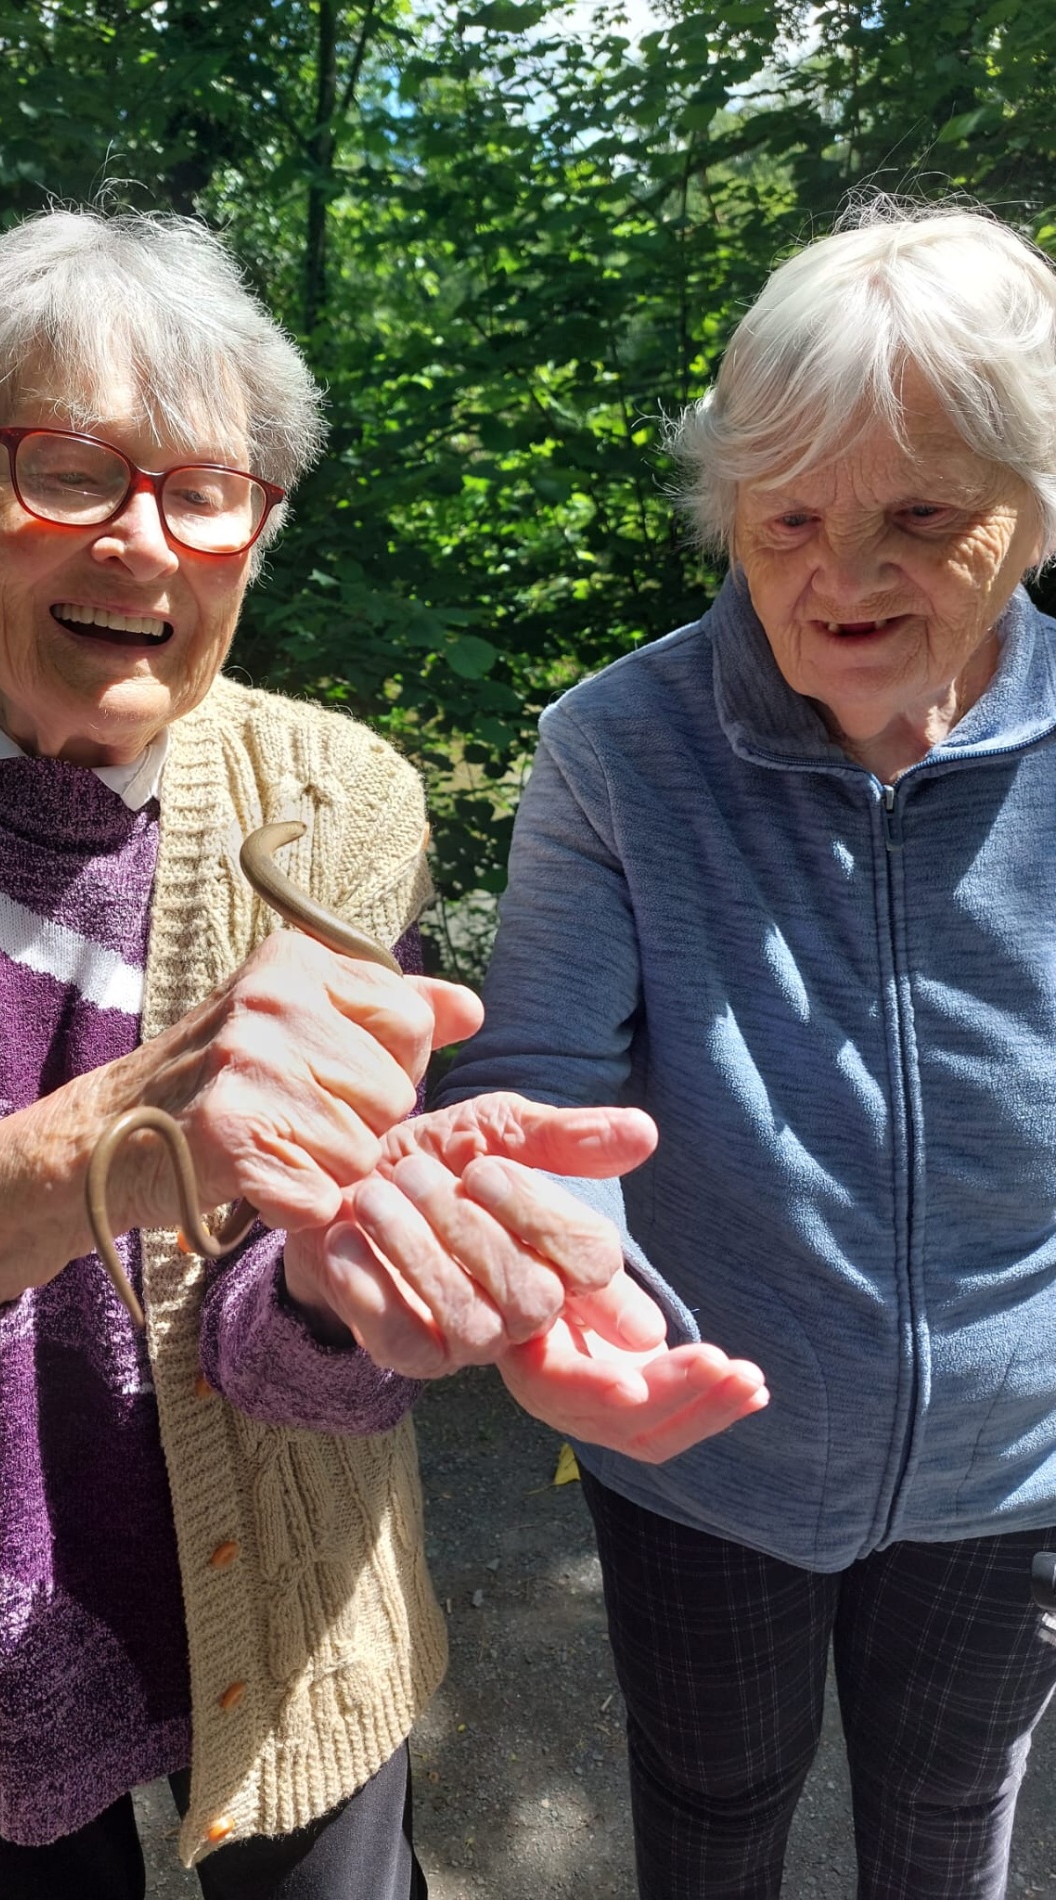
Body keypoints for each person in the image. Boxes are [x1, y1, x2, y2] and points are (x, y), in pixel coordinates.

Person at [0, 206, 760, 1900]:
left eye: (206, 488)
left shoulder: (337, 802)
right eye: (68, 469)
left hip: (290, 1599)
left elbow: (301, 1362)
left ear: (258, 529)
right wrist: (93, 1146)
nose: (142, 542)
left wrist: (348, 1291)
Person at [405, 201, 1056, 1897]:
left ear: (1035, 504)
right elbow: (538, 1085)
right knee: (709, 1814)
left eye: (921, 514)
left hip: (1018, 1465)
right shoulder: (619, 747)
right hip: (698, 1446)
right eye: (789, 517)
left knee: (947, 1830)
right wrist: (566, 1294)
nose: (845, 575)